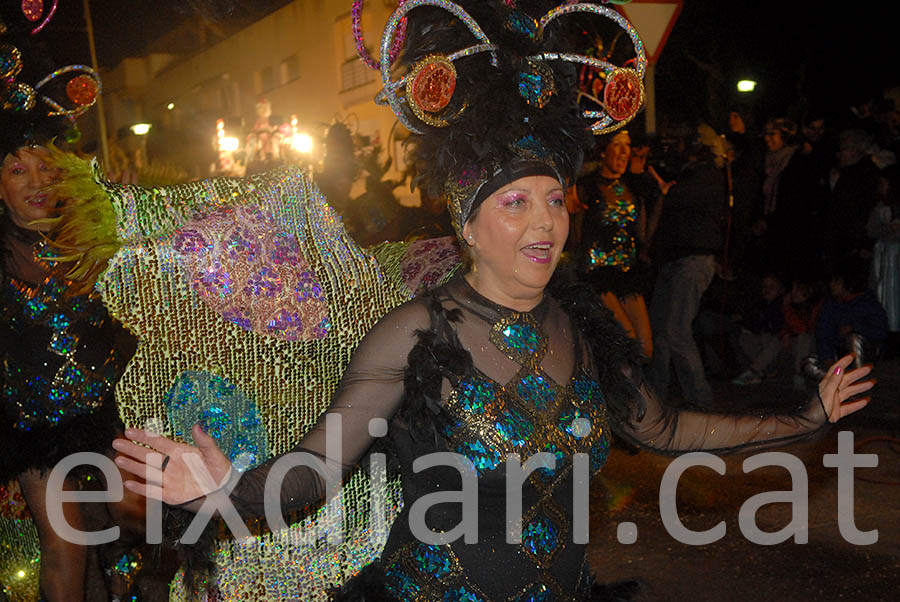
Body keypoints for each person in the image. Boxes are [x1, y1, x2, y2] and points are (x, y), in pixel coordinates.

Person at [108, 3, 873, 600]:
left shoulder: (583, 325)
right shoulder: (414, 333)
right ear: (467, 223)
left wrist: (805, 419)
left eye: (555, 200)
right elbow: (314, 470)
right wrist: (226, 489)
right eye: (516, 204)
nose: (545, 222)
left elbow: (665, 426)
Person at [0, 79, 145, 602]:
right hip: (32, 425)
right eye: (17, 169)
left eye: (45, 167)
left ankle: (127, 577)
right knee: (65, 545)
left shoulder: (92, 236)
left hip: (107, 412)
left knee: (137, 520)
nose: (35, 181)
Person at [647, 124, 728, 408]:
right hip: (676, 259)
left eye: (686, 144)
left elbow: (677, 198)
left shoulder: (707, 175)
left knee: (677, 331)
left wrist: (665, 187)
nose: (680, 149)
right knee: (660, 329)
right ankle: (656, 395)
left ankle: (701, 401)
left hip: (693, 259)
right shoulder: (694, 174)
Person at [571, 131, 655, 358]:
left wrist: (659, 197)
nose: (623, 151)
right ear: (604, 150)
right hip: (597, 276)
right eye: (617, 145)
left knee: (645, 349)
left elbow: (642, 235)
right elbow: (575, 239)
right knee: (626, 342)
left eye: (627, 145)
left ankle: (630, 390)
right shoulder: (586, 186)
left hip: (627, 273)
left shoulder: (632, 187)